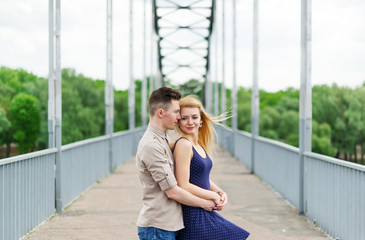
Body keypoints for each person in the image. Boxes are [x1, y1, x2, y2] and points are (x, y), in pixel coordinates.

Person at [136, 87, 216, 240]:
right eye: (176, 112)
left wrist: (216, 192)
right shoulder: (152, 145)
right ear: (161, 113)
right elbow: (172, 191)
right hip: (158, 227)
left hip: (168, 225)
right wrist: (205, 203)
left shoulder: (163, 139)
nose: (179, 117)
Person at [172, 95, 250, 240]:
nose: (190, 122)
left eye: (194, 117)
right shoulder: (184, 145)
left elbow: (202, 176)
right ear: (178, 122)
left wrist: (220, 192)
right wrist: (212, 196)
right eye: (184, 118)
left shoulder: (198, 145)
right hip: (193, 213)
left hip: (204, 210)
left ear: (201, 120)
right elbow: (183, 184)